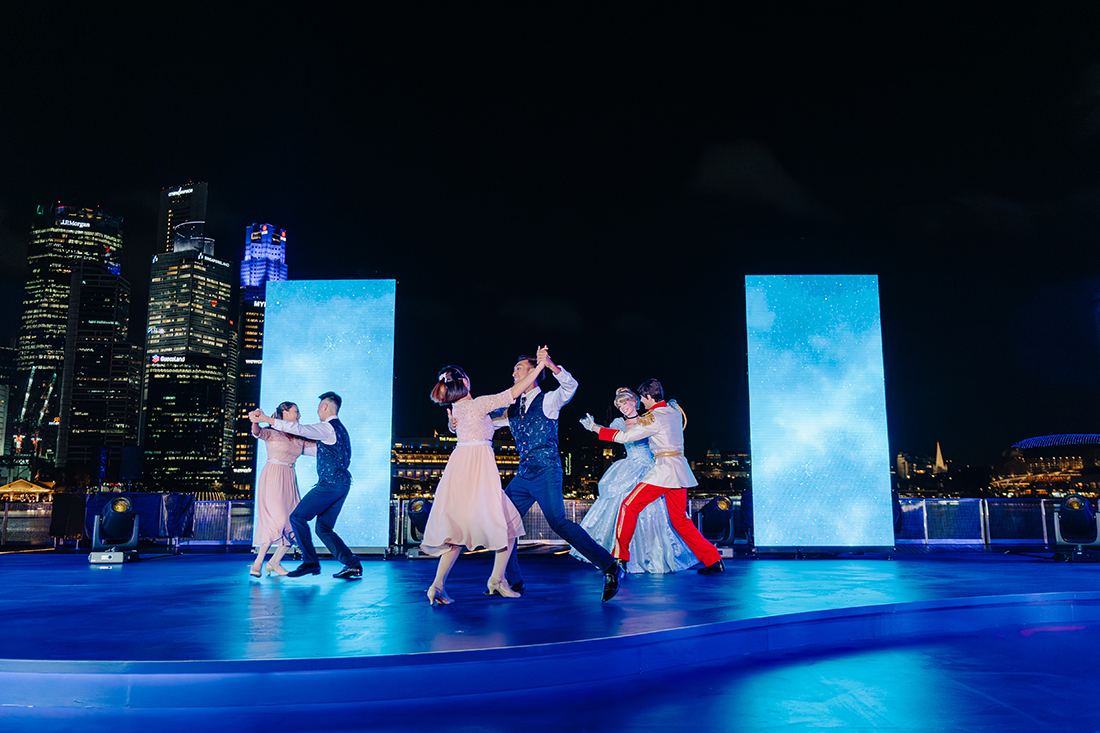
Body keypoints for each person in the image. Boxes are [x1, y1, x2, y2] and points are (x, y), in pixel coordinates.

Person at [493, 348, 624, 603]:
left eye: (518, 369)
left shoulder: (549, 401)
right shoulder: (512, 410)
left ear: (533, 373)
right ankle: (514, 581)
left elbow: (570, 385)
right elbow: (487, 422)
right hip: (524, 475)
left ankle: (610, 566)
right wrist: (458, 422)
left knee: (558, 523)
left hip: (546, 471)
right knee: (502, 524)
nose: (513, 372)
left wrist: (549, 364)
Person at [421, 353, 547, 605]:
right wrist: (541, 366)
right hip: (477, 468)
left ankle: (438, 585)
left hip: (462, 468)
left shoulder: (458, 409)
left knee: (460, 532)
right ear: (464, 382)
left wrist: (451, 426)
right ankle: (496, 580)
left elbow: (474, 423)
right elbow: (512, 393)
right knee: (507, 524)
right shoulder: (476, 405)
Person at [581, 379, 725, 577]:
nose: (641, 401)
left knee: (628, 506)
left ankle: (620, 558)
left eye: (642, 397)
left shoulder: (653, 418)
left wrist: (595, 428)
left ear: (648, 397)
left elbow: (625, 437)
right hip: (680, 470)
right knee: (680, 520)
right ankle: (713, 559)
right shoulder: (673, 410)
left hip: (663, 471)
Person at [570, 388, 696, 574]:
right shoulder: (619, 423)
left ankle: (646, 556)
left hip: (656, 470)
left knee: (655, 514)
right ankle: (620, 556)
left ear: (636, 402)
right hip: (630, 470)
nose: (622, 407)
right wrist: (596, 427)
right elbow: (620, 438)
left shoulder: (651, 418)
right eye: (619, 404)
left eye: (625, 402)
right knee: (625, 507)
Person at [249, 391, 361, 580]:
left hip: (330, 484)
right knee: (323, 529)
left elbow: (300, 430)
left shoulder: (326, 428)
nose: (316, 411)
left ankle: (310, 562)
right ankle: (353, 565)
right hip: (341, 484)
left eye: (318, 407)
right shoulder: (340, 430)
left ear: (325, 407)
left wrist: (266, 418)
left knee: (297, 517)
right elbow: (322, 451)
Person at [249, 401, 311, 578]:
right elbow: (257, 432)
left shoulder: (298, 436)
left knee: (293, 521)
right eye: (295, 412)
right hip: (273, 476)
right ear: (284, 413)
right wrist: (255, 420)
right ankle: (258, 562)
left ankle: (274, 562)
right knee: (277, 519)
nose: (299, 415)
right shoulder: (272, 432)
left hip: (290, 478)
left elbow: (315, 448)